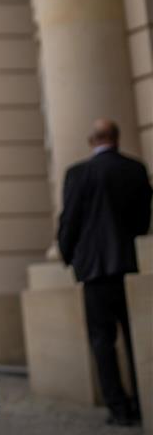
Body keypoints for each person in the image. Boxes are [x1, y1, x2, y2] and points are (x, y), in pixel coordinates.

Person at [58, 118, 152, 427]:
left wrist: (68, 254)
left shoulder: (79, 173)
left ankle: (119, 409)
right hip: (130, 265)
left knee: (102, 341)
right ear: (117, 137)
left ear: (91, 140)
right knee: (136, 339)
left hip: (96, 270)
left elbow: (69, 220)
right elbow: (142, 221)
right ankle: (142, 402)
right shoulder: (136, 169)